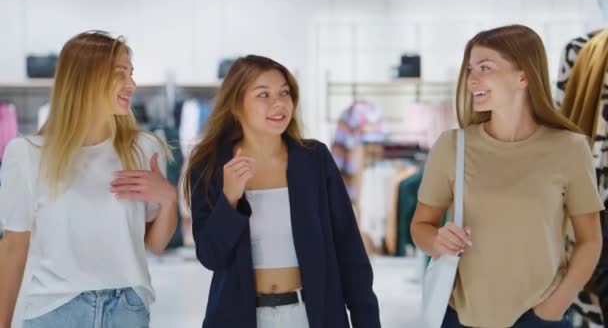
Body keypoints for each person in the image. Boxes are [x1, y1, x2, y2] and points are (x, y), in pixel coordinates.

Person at [411, 24, 604, 328]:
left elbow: (590, 240)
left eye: (485, 67)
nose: (472, 79)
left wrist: (555, 306)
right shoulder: (452, 146)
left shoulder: (569, 148)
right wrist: (437, 240)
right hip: (460, 317)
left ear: (523, 76)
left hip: (539, 318)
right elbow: (420, 227)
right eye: (470, 69)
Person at [182, 55, 380, 328]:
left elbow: (349, 250)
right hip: (239, 318)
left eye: (284, 93)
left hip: (311, 317)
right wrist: (230, 198)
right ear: (236, 105)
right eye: (263, 94)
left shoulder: (314, 159)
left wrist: (366, 320)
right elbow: (211, 255)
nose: (278, 103)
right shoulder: (210, 165)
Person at [0, 31, 178, 328]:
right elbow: (13, 249)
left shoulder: (144, 148)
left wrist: (168, 198)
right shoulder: (27, 154)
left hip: (127, 310)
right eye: (120, 73)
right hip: (56, 310)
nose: (131, 85)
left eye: (131, 73)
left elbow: (155, 245)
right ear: (84, 77)